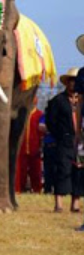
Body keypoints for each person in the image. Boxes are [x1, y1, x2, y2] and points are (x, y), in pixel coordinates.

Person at [44, 68, 83, 214]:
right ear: (67, 83)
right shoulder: (58, 101)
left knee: (79, 171)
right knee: (62, 170)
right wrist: (61, 135)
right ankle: (59, 204)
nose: (74, 84)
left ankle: (75, 204)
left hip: (80, 142)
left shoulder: (82, 100)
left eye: (76, 81)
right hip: (64, 141)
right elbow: (51, 121)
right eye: (71, 81)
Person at [15, 101, 44, 194]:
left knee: (36, 171)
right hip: (22, 148)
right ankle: (18, 190)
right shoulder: (20, 114)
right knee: (20, 172)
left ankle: (37, 190)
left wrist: (41, 145)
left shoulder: (40, 114)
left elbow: (42, 133)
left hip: (35, 148)